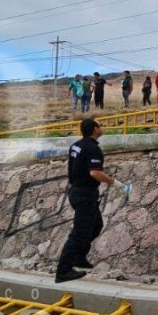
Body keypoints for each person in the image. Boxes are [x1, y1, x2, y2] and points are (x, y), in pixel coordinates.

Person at [55, 118, 125, 283]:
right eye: (99, 126)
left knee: (96, 225)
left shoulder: (76, 146)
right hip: (85, 194)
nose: (101, 128)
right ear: (94, 129)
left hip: (76, 191)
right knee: (79, 234)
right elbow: (95, 173)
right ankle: (63, 271)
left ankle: (79, 257)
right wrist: (114, 182)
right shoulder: (92, 149)